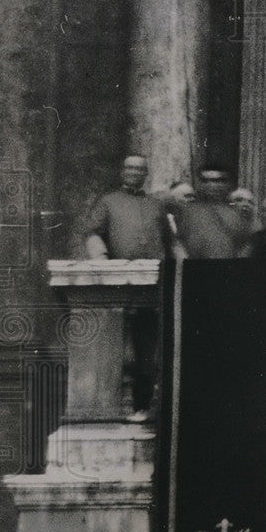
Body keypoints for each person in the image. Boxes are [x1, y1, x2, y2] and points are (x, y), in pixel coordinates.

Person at [84, 155, 173, 421]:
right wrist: (102, 262)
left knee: (149, 348)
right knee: (119, 348)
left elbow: (169, 241)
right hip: (119, 285)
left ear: (146, 173)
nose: (135, 172)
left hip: (152, 285)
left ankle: (143, 406)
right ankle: (111, 409)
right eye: (130, 167)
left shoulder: (156, 205)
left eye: (140, 168)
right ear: (123, 171)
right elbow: (93, 233)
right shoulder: (108, 202)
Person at [175, 167, 255, 258]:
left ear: (227, 184)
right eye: (205, 180)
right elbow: (177, 243)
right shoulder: (186, 212)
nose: (211, 185)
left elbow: (246, 246)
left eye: (217, 180)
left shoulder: (237, 213)